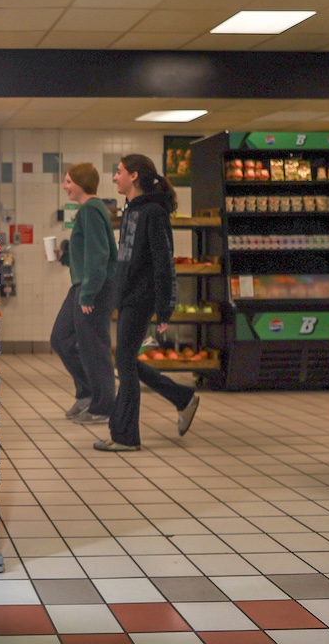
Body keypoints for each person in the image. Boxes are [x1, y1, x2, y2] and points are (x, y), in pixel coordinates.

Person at [95, 154, 200, 453]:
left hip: (142, 298)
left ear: (134, 176)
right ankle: (182, 397)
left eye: (119, 172)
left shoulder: (153, 212)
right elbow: (127, 258)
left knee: (125, 363)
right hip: (129, 296)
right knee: (126, 361)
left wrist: (165, 306)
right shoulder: (132, 210)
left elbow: (163, 262)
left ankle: (126, 436)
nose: (115, 177)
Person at [50, 163, 117, 425]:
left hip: (93, 289)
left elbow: (99, 255)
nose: (65, 186)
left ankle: (103, 407)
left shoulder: (91, 209)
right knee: (61, 338)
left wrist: (88, 294)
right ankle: (87, 393)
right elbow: (87, 252)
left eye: (69, 181)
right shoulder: (88, 210)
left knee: (95, 348)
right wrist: (65, 256)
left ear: (81, 183)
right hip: (81, 285)